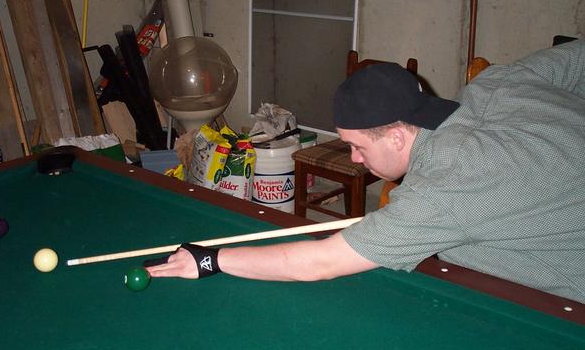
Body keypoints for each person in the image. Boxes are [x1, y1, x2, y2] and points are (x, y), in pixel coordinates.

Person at [147, 40, 585, 303]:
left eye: (358, 146)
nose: (354, 159)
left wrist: (211, 259)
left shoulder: (447, 187)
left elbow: (317, 263)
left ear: (395, 136)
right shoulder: (497, 85)